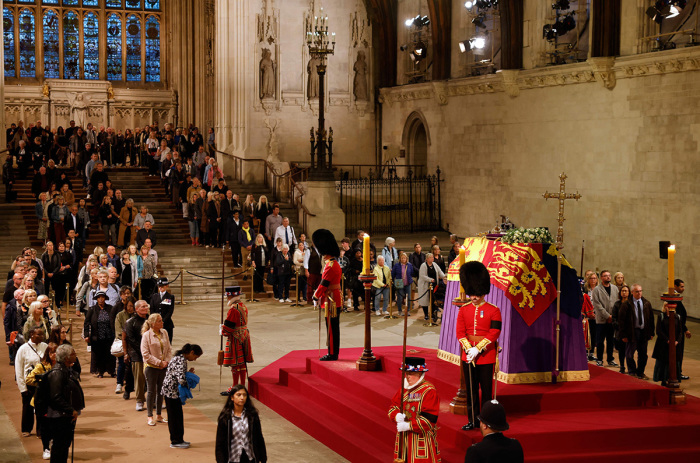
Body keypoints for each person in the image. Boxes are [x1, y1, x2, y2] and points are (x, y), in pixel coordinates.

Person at [456, 261, 502, 431]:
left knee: (487, 392)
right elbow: (460, 333)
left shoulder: (494, 310)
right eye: (471, 294)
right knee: (471, 390)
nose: (473, 297)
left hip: (486, 355)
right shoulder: (464, 310)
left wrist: (478, 348)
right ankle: (473, 420)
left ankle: (487, 420)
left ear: (482, 292)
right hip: (468, 355)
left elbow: (494, 332)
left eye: (476, 294)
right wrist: (469, 349)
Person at [387, 357, 440, 463]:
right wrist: (396, 415)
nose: (407, 377)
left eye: (410, 374)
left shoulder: (429, 391)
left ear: (420, 374)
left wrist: (408, 425)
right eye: (406, 373)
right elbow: (393, 407)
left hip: (420, 439)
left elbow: (430, 420)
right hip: (403, 438)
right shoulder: (404, 388)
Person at [162, 343, 203, 449]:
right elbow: (181, 379)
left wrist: (188, 373)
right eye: (195, 357)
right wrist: (190, 380)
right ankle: (175, 441)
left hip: (172, 392)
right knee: (174, 417)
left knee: (178, 417)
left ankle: (179, 439)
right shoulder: (180, 360)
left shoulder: (180, 359)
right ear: (191, 352)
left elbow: (179, 375)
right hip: (171, 392)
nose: (194, 359)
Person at [215, 385, 267, 463]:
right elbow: (220, 443)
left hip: (250, 458)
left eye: (244, 395)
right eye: (238, 395)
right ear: (232, 397)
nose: (242, 398)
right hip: (232, 459)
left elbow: (259, 437)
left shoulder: (252, 415)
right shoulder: (225, 417)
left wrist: (263, 459)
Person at [312, 229, 343, 361]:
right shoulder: (333, 264)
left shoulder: (330, 266)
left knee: (331, 327)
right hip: (334, 297)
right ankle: (333, 351)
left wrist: (315, 296)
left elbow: (323, 284)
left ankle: (332, 353)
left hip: (331, 300)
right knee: (333, 327)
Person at [25, 342, 58, 460]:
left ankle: (52, 445)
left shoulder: (61, 366)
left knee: (55, 427)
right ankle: (46, 449)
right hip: (42, 402)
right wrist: (41, 383)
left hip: (56, 401)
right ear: (47, 354)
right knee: (44, 428)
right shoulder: (41, 366)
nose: (54, 355)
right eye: (51, 352)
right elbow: (29, 379)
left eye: (56, 352)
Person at [15, 327, 48, 437]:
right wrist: (22, 388)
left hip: (42, 383)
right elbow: (18, 370)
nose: (42, 336)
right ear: (32, 335)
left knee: (42, 408)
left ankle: (41, 430)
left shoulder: (45, 347)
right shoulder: (23, 349)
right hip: (29, 384)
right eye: (39, 334)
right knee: (27, 408)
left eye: (42, 334)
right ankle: (26, 429)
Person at [221, 286, 254, 394]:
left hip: (235, 337)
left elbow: (229, 327)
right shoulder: (243, 306)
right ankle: (242, 386)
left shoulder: (233, 309)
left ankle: (235, 387)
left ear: (230, 295)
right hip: (244, 335)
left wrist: (222, 329)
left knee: (235, 363)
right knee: (242, 362)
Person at [141, 313, 172, 426]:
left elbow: (169, 349)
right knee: (151, 391)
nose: (162, 322)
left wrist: (166, 362)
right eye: (159, 321)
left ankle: (159, 415)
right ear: (153, 324)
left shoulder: (165, 333)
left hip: (163, 367)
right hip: (151, 368)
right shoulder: (146, 336)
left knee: (161, 391)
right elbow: (145, 355)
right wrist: (159, 363)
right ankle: (150, 416)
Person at [618, 284, 655, 379]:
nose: (639, 293)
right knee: (630, 354)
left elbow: (651, 319)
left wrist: (651, 332)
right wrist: (623, 335)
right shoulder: (626, 304)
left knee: (643, 354)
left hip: (643, 332)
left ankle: (640, 372)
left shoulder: (646, 303)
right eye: (637, 291)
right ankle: (632, 371)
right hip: (632, 332)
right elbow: (621, 321)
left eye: (640, 291)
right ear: (632, 292)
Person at [124, 300, 149, 411]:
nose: (146, 308)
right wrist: (143, 350)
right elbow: (131, 339)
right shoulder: (131, 322)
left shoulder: (151, 320)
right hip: (137, 354)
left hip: (151, 354)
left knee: (152, 379)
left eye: (146, 306)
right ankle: (139, 400)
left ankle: (152, 400)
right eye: (143, 306)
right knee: (139, 379)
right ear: (137, 309)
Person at [83, 291, 116, 377]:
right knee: (99, 354)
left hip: (109, 335)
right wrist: (86, 335)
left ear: (105, 298)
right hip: (97, 336)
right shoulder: (92, 309)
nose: (101, 299)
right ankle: (100, 372)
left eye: (102, 297)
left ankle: (111, 371)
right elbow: (86, 323)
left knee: (110, 354)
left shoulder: (110, 308)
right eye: (99, 297)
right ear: (96, 299)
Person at [591, 270, 619, 367]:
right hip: (601, 320)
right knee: (600, 341)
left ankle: (610, 359)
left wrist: (613, 316)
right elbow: (597, 305)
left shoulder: (615, 288)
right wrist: (608, 316)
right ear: (601, 278)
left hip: (612, 320)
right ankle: (599, 359)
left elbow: (617, 303)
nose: (608, 277)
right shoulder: (597, 290)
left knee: (611, 340)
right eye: (605, 276)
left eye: (609, 275)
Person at [652, 302, 682, 386]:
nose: (669, 308)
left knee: (674, 362)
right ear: (665, 307)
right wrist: (667, 340)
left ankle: (674, 378)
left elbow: (680, 332)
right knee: (663, 363)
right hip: (663, 345)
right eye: (667, 306)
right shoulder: (661, 316)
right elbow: (659, 330)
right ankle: (663, 379)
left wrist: (677, 341)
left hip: (675, 345)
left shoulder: (677, 317)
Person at [418, 254, 445, 322]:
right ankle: (426, 314)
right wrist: (430, 279)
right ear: (427, 259)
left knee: (433, 300)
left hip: (434, 285)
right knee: (425, 300)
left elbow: (440, 272)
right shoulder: (423, 265)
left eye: (432, 257)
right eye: (430, 257)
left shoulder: (435, 264)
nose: (432, 258)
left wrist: (444, 277)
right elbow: (422, 276)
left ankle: (433, 314)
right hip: (426, 285)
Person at [673, 279, 691, 380]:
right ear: (675, 286)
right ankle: (677, 373)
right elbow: (678, 317)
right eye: (681, 287)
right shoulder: (674, 298)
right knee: (678, 353)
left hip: (679, 329)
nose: (683, 289)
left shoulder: (677, 297)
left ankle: (678, 372)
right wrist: (685, 329)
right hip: (677, 330)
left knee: (679, 352)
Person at [611, 284, 631, 374]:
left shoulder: (631, 303)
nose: (624, 292)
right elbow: (614, 318)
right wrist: (619, 326)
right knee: (622, 350)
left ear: (629, 292)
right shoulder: (617, 304)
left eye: (626, 291)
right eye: (622, 291)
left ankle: (631, 367)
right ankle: (622, 366)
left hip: (630, 331)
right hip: (620, 331)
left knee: (630, 351)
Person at [150, 278, 176, 343]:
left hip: (166, 323)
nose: (160, 288)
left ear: (166, 286)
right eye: (159, 286)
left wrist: (162, 321)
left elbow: (170, 311)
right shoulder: (154, 296)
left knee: (167, 342)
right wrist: (155, 321)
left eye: (162, 286)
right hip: (155, 323)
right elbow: (152, 309)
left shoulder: (170, 297)